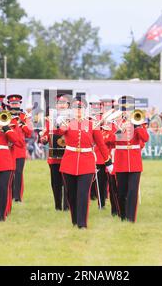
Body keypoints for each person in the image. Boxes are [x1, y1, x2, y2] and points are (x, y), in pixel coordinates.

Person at [59, 96, 112, 229]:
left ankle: (82, 224)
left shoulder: (92, 124)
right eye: (76, 108)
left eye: (80, 108)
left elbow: (101, 144)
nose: (78, 110)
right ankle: (75, 220)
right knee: (71, 194)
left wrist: (108, 162)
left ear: (84, 109)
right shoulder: (68, 122)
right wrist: (62, 123)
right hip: (69, 162)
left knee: (83, 194)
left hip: (87, 162)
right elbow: (61, 132)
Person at [111, 96, 149, 222]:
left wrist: (137, 126)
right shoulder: (115, 121)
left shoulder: (138, 119)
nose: (127, 110)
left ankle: (131, 218)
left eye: (129, 107)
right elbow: (108, 140)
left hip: (134, 161)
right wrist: (119, 131)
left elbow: (145, 138)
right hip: (121, 160)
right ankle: (122, 215)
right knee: (121, 192)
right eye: (124, 107)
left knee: (133, 190)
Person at [40, 94, 70, 211]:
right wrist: (44, 139)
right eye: (59, 104)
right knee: (56, 183)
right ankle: (57, 206)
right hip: (54, 157)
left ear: (68, 106)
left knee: (68, 182)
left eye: (64, 103)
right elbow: (47, 134)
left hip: (68, 156)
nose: (61, 106)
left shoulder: (72, 119)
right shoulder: (50, 120)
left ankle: (67, 206)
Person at [7, 94, 33, 202]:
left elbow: (29, 132)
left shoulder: (24, 116)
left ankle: (17, 196)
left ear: (19, 104)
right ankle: (9, 194)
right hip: (9, 148)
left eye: (16, 103)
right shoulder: (5, 115)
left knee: (18, 173)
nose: (14, 105)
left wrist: (22, 123)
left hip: (20, 148)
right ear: (9, 104)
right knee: (8, 172)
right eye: (12, 103)